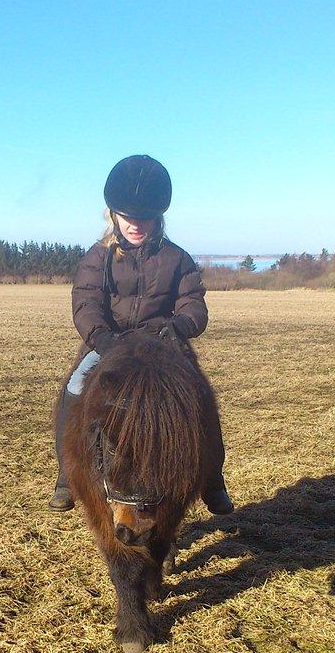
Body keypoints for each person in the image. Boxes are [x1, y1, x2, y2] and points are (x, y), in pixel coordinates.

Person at [49, 154, 234, 515]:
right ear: (113, 215)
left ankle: (213, 479)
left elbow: (194, 305)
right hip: (110, 344)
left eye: (144, 217)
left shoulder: (178, 259)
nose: (135, 225)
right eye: (127, 216)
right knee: (74, 388)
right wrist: (102, 338)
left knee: (200, 394)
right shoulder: (97, 258)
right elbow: (86, 303)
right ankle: (66, 477)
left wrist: (178, 327)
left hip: (162, 346)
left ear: (158, 217)